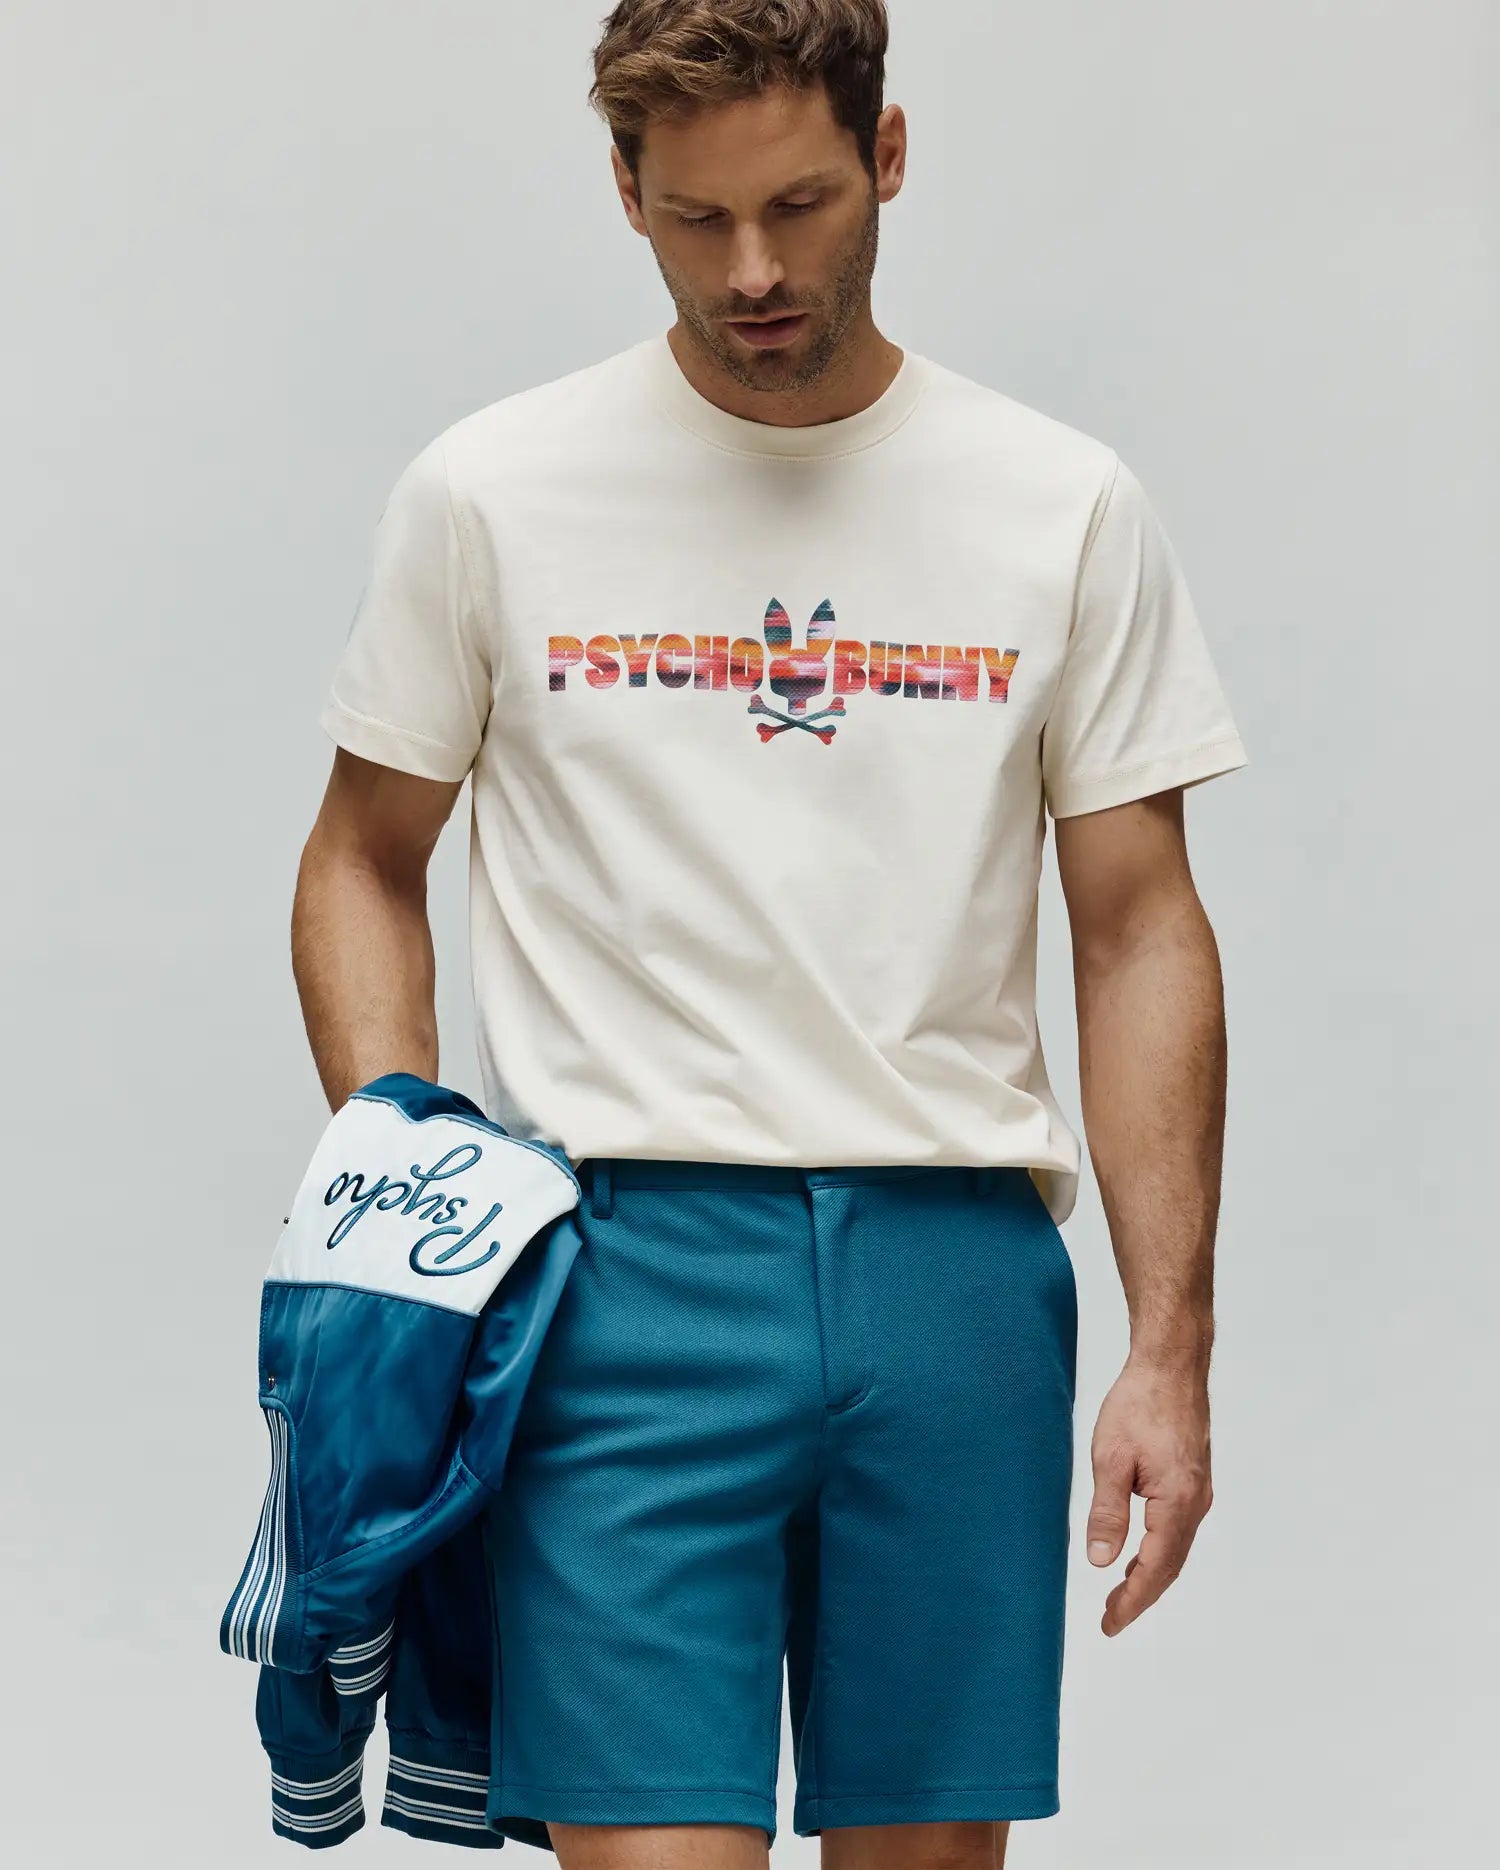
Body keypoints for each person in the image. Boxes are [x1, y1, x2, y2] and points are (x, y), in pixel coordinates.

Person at [291, 2, 1248, 1864]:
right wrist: (415, 1204)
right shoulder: (491, 490)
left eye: (800, 206)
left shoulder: (1060, 504)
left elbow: (1140, 927)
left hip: (955, 1269)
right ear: (625, 191)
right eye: (695, 217)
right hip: (618, 1275)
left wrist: (1172, 1346)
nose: (752, 271)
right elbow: (358, 858)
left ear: (888, 155)